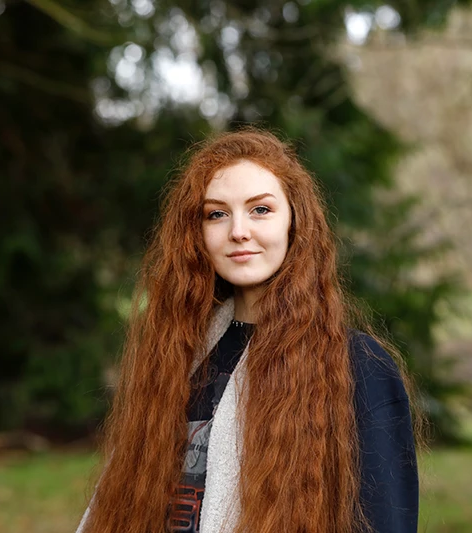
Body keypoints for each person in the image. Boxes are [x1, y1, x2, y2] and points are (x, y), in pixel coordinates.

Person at [76, 129, 420, 533]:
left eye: (260, 210)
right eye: (217, 214)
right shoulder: (177, 356)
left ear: (295, 222)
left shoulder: (358, 366)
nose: (238, 230)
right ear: (197, 233)